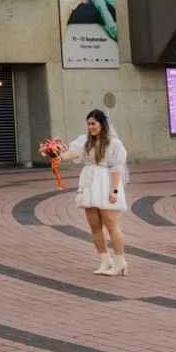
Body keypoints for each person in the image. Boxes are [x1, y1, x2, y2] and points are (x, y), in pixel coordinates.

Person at [67, 108, 129, 276]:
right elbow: (73, 153)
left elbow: (117, 169)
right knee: (95, 226)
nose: (90, 127)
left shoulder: (114, 144)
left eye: (93, 123)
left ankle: (120, 261)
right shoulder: (84, 141)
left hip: (106, 181)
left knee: (111, 223)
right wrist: (57, 153)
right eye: (88, 124)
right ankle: (104, 260)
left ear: (102, 124)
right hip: (89, 181)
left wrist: (114, 191)